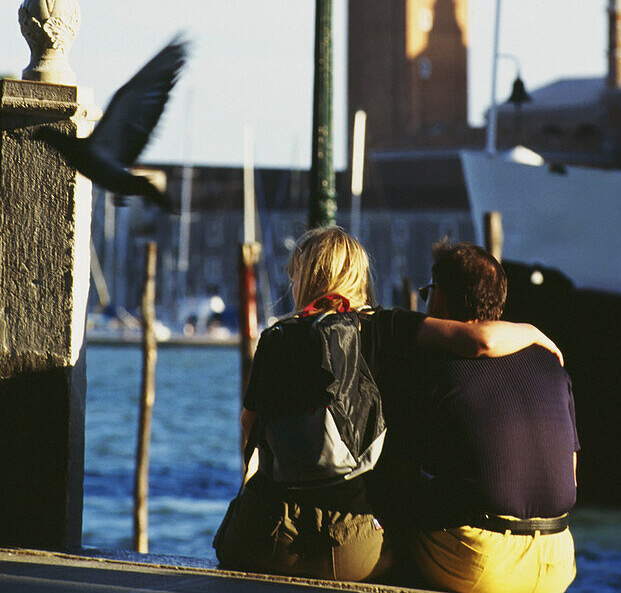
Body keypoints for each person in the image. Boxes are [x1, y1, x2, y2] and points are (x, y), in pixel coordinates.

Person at [214, 227, 563, 581]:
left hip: (262, 539)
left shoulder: (276, 338)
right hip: (350, 548)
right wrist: (534, 333)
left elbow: (249, 429)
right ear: (357, 275)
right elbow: (481, 339)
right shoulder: (387, 327)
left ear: (305, 277)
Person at [411, 242, 579, 593]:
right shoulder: (552, 365)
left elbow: (404, 462)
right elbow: (571, 475)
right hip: (558, 560)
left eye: (428, 292)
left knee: (393, 522)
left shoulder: (436, 366)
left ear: (439, 297)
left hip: (481, 563)